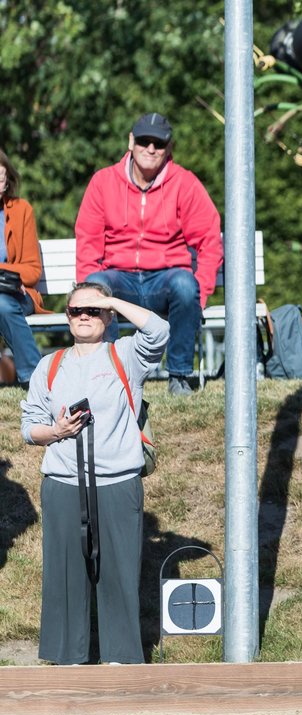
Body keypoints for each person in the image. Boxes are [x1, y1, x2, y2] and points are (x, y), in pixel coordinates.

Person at [20, 282, 169, 665]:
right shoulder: (49, 365)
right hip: (63, 484)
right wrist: (55, 432)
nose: (83, 316)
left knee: (118, 577)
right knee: (64, 578)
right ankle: (67, 660)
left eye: (93, 309)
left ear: (108, 316)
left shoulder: (124, 355)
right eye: (75, 310)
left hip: (118, 483)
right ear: (66, 316)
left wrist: (113, 299)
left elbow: (158, 331)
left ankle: (120, 660)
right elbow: (29, 426)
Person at [74, 112, 223, 397]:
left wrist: (200, 294)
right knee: (95, 284)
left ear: (169, 148)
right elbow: (88, 241)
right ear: (131, 142)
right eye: (144, 141)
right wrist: (87, 291)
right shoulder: (103, 182)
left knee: (185, 284)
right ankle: (110, 375)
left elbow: (209, 241)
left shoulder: (185, 184)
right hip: (119, 278)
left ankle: (179, 376)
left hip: (165, 280)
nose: (150, 148)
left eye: (158, 142)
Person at [0, 149, 47, 389]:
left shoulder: (22, 210)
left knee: (3, 304)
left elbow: (32, 272)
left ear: (8, 179)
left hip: (17, 294)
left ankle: (34, 379)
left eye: (1, 179)